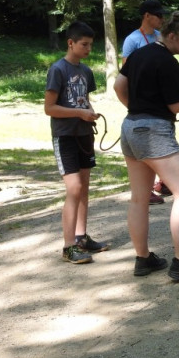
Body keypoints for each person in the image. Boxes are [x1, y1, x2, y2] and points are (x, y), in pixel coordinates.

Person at [114, 11, 179, 282]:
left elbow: (118, 85)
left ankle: (143, 258)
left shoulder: (138, 54)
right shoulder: (168, 62)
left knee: (139, 198)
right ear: (171, 36)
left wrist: (136, 108)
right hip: (154, 132)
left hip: (130, 127)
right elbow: (176, 106)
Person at [44, 21, 110, 264]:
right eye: (84, 44)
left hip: (84, 134)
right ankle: (68, 246)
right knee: (73, 188)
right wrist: (78, 113)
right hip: (65, 136)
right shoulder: (57, 70)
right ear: (70, 43)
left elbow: (84, 100)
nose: (88, 49)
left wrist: (90, 113)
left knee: (83, 187)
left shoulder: (86, 71)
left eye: (91, 45)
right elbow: (49, 108)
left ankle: (81, 237)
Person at [122, 0, 170, 205]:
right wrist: (131, 103)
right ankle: (146, 189)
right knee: (145, 143)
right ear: (147, 16)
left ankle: (163, 181)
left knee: (164, 138)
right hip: (142, 103)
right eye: (158, 15)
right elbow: (125, 74)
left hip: (160, 100)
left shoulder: (160, 37)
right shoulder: (132, 40)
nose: (162, 19)